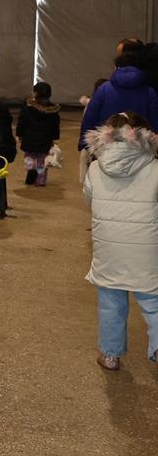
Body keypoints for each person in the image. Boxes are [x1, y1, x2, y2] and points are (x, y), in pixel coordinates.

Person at [81, 113, 158, 371]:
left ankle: (110, 355)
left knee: (111, 303)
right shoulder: (155, 168)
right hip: (148, 248)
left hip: (109, 247)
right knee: (153, 303)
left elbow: (89, 199)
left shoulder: (94, 167)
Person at [79, 40, 158, 148]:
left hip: (107, 146)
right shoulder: (150, 92)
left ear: (117, 67)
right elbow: (155, 122)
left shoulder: (103, 89)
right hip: (139, 147)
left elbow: (90, 117)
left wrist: (84, 144)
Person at [17, 82, 61, 186]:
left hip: (29, 136)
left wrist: (19, 134)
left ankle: (30, 166)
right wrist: (55, 137)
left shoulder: (28, 107)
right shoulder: (53, 109)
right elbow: (55, 125)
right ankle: (41, 181)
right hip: (45, 138)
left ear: (35, 93)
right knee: (42, 159)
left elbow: (22, 121)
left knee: (29, 154)